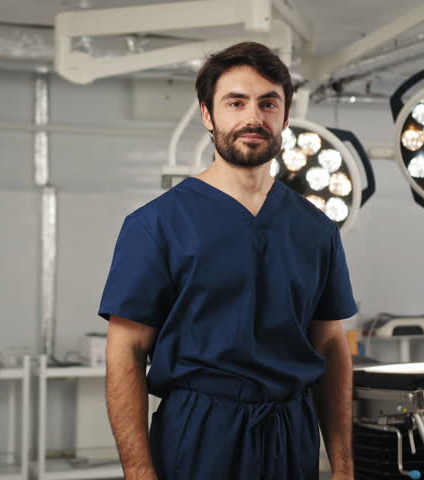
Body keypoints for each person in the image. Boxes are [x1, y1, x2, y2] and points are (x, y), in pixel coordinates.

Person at [98, 41, 357, 480]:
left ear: (285, 117)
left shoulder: (317, 229)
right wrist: (139, 473)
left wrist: (344, 467)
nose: (253, 118)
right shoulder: (157, 224)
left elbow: (330, 346)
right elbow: (125, 350)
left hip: (290, 435)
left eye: (268, 103)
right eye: (235, 102)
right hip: (198, 436)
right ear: (208, 114)